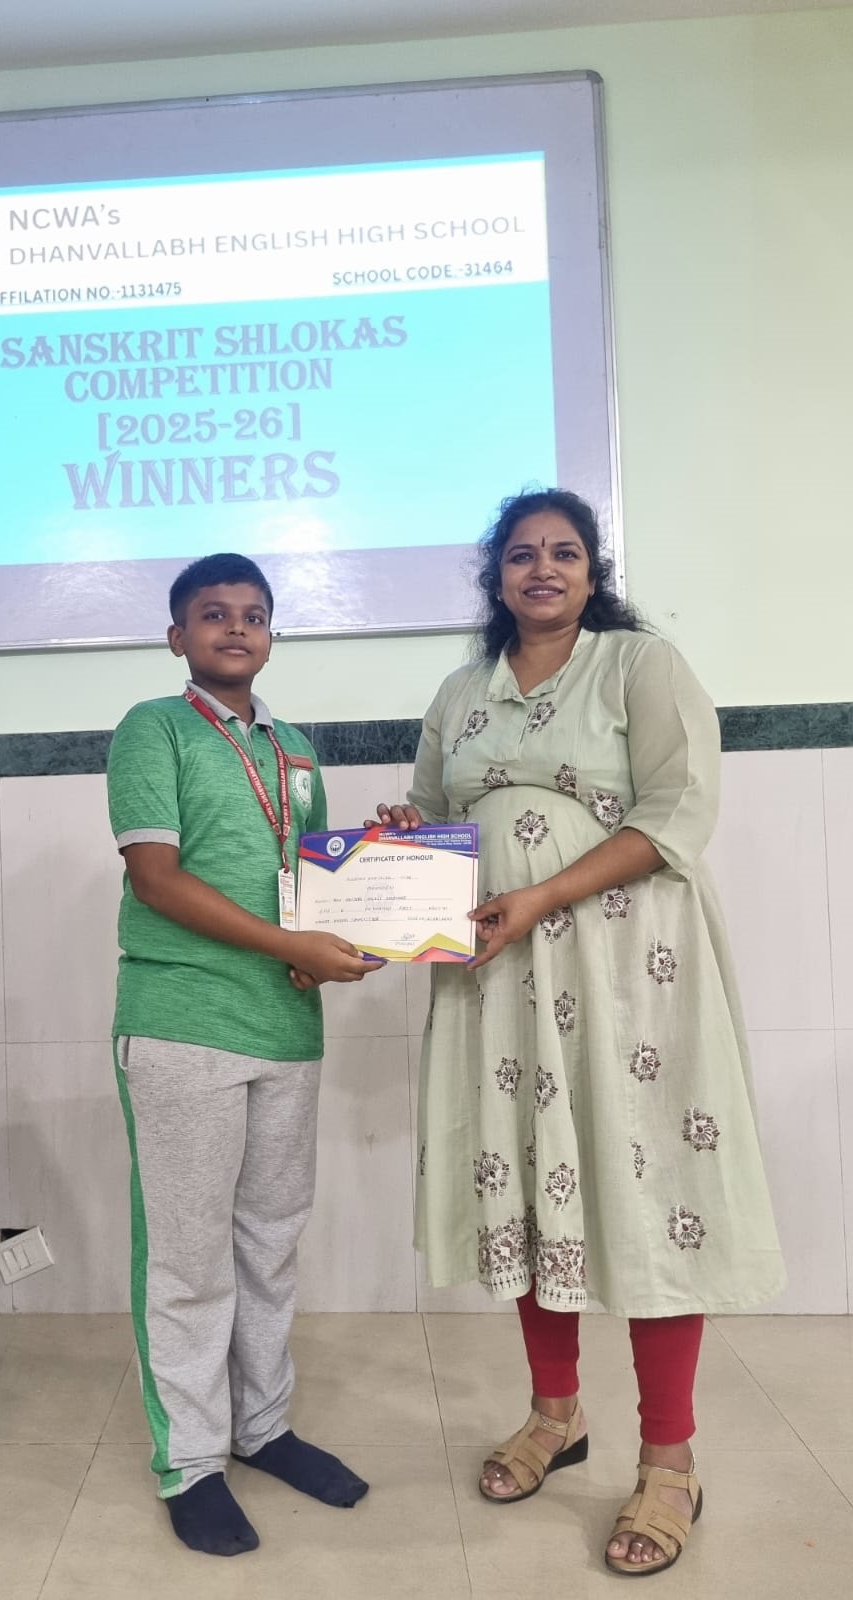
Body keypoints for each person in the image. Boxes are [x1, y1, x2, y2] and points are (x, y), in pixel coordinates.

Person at [375, 489, 784, 1577]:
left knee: (650, 1193)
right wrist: (406, 838)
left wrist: (544, 894)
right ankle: (555, 1414)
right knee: (520, 1178)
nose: (543, 568)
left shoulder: (639, 667)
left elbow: (677, 811)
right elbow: (437, 818)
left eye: (565, 552)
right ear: (496, 577)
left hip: (627, 977)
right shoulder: (462, 692)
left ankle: (670, 1459)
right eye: (522, 554)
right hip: (499, 981)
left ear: (593, 573)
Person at [107, 551, 381, 1558]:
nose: (236, 628)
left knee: (268, 1240)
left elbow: (311, 880)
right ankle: (190, 1460)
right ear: (177, 635)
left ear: (271, 634)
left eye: (254, 614)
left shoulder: (294, 749)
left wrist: (385, 856)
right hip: (182, 1023)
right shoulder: (154, 728)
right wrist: (286, 943)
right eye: (213, 614)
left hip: (286, 1026)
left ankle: (261, 1426)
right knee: (188, 1256)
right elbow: (157, 878)